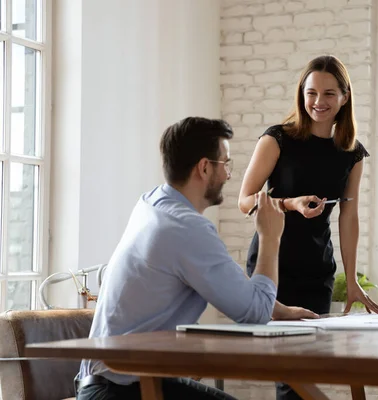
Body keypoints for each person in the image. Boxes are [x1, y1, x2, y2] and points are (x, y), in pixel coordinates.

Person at [76, 117, 287, 400]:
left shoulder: (151, 203)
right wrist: (270, 237)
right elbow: (254, 314)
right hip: (122, 391)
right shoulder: (186, 228)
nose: (228, 175)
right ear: (204, 167)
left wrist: (275, 307)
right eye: (225, 164)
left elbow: (244, 296)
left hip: (106, 381)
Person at [238, 55, 378, 400]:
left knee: (304, 370)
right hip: (272, 266)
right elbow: (245, 200)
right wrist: (290, 203)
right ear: (301, 95)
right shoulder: (277, 139)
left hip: (317, 271)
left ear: (345, 97)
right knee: (290, 374)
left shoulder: (351, 152)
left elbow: (349, 217)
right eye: (312, 93)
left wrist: (350, 281)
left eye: (329, 94)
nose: (319, 102)